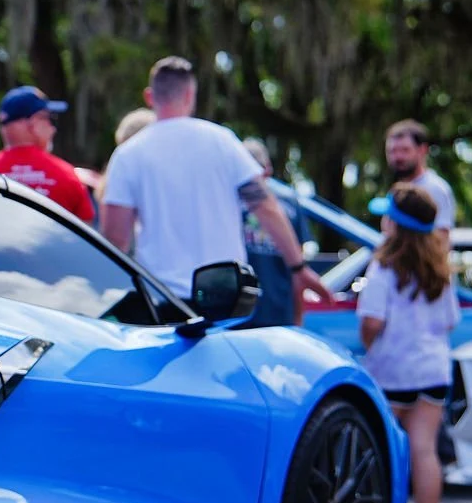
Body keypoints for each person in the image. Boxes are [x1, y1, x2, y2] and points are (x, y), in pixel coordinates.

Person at [100, 56, 331, 309]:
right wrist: (298, 267)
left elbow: (116, 238)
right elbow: (266, 207)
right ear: (190, 95)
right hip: (226, 294)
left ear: (149, 97)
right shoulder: (222, 141)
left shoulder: (129, 154)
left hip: (161, 297)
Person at [357, 184, 457, 503]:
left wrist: (371, 348)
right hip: (433, 369)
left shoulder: (382, 268)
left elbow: (371, 323)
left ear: (394, 225)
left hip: (392, 369)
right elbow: (449, 321)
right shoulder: (441, 270)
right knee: (424, 449)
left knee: (383, 449)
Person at [0, 86, 94, 223]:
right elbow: (87, 234)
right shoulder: (68, 175)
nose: (53, 128)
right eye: (49, 118)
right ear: (33, 123)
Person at [239, 138, 299, 328]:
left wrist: (298, 318)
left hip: (277, 315)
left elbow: (298, 268)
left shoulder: (289, 206)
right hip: (238, 315)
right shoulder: (226, 206)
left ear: (268, 170)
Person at [381, 119, 455, 235]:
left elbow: (441, 241)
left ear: (422, 150)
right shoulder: (397, 190)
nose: (397, 157)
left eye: (405, 150)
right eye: (392, 151)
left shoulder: (435, 189)